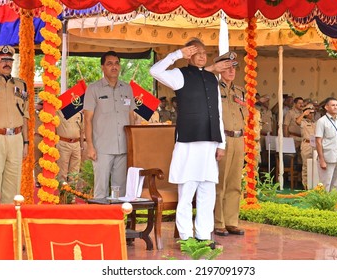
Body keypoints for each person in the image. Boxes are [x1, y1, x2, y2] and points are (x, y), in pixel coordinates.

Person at [149, 38, 230, 243]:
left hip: (210, 142)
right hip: (188, 143)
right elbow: (155, 71)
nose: (202, 55)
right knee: (187, 192)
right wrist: (177, 54)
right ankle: (185, 237)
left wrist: (221, 144)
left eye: (204, 52)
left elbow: (218, 113)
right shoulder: (179, 75)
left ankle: (203, 236)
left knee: (207, 191)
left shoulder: (212, 78)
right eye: (197, 52)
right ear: (189, 54)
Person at [84, 51, 136, 199]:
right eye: (109, 64)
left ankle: (118, 221)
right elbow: (87, 119)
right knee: (100, 191)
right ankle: (100, 221)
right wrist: (90, 146)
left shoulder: (127, 88)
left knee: (120, 191)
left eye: (116, 63)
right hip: (102, 148)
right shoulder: (94, 89)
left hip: (124, 148)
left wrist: (133, 145)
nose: (114, 67)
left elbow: (131, 116)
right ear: (102, 67)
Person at [0, 45, 29, 204]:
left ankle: (10, 225)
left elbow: (25, 115)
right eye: (2, 59)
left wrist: (26, 142)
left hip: (15, 139)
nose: (7, 63)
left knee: (13, 190)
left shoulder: (21, 85)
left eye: (9, 60)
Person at [213, 51, 245, 237]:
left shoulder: (240, 91)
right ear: (220, 68)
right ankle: (219, 222)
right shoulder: (214, 89)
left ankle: (232, 221)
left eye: (234, 67)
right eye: (227, 66)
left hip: (238, 139)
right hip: (222, 139)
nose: (231, 70)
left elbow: (245, 115)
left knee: (234, 182)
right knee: (220, 182)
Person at [315, 97, 337, 192]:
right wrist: (321, 159)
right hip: (327, 157)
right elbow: (318, 141)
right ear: (326, 107)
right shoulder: (322, 121)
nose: (335, 107)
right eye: (333, 105)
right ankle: (323, 206)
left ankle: (334, 205)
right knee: (326, 184)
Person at [56, 111, 84, 183]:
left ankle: (72, 191)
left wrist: (82, 147)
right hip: (63, 144)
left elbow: (81, 132)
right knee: (62, 171)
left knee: (75, 172)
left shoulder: (79, 114)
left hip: (76, 144)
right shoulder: (59, 112)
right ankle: (62, 192)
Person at [296, 104, 316, 189]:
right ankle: (306, 185)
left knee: (314, 165)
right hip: (307, 144)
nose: (311, 115)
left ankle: (313, 184)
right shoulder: (303, 122)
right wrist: (303, 114)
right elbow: (297, 121)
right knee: (306, 165)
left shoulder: (315, 123)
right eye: (310, 113)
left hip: (314, 144)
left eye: (313, 113)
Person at [34, 100, 43, 188]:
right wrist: (37, 106)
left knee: (48, 160)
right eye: (41, 104)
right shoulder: (35, 114)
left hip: (49, 138)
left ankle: (47, 179)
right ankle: (38, 180)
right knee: (37, 160)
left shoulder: (51, 115)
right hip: (37, 137)